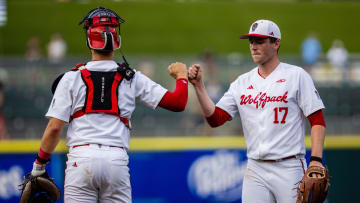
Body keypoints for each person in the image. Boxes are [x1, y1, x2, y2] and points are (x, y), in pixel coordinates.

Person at [27, 7, 188, 203]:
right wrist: (181, 76)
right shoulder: (132, 77)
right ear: (117, 41)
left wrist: (39, 166)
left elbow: (54, 128)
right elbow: (178, 102)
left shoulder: (71, 78)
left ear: (89, 41)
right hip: (115, 161)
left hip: (81, 159)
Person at [188, 19, 326, 203]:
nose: (253, 46)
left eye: (260, 41)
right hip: (255, 169)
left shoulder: (296, 75)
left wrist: (316, 159)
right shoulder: (242, 82)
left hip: (289, 166)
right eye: (251, 41)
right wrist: (199, 87)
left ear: (276, 43)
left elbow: (317, 120)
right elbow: (215, 119)